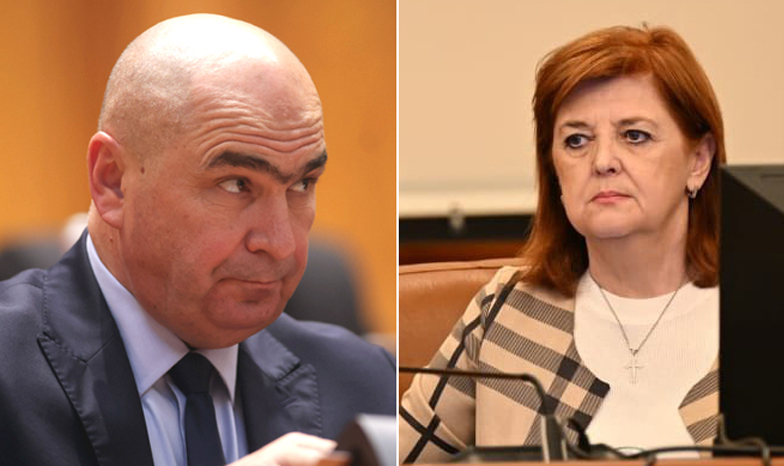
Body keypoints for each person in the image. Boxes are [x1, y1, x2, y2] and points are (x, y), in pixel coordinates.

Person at [0, 14, 395, 466]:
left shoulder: (367, 385)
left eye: (302, 184)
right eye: (236, 184)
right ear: (112, 182)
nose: (281, 243)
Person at [400, 24, 724, 462]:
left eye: (634, 136)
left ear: (698, 161)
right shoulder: (507, 310)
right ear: (554, 171)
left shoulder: (768, 320)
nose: (603, 161)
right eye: (576, 140)